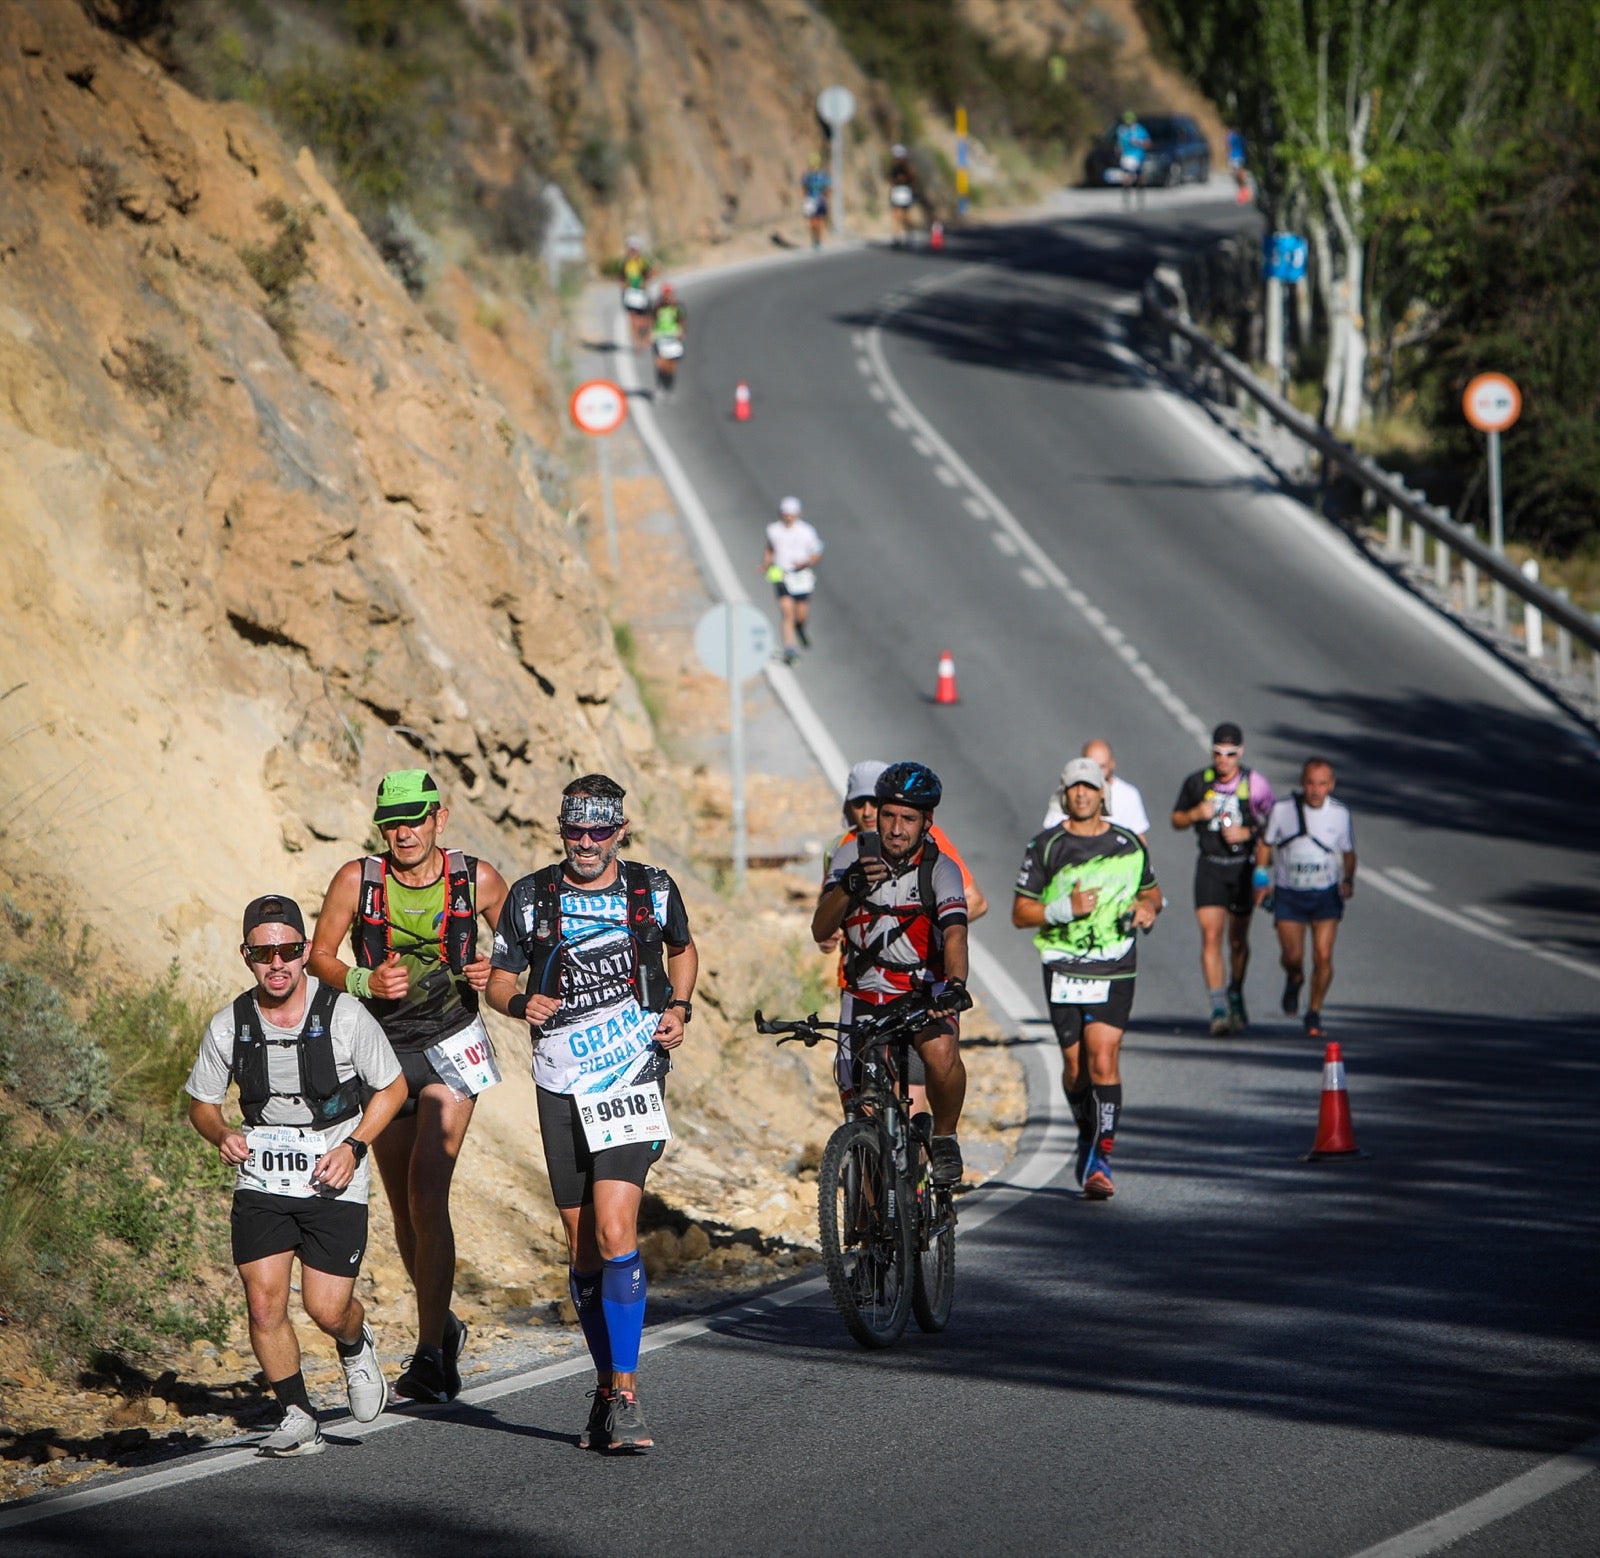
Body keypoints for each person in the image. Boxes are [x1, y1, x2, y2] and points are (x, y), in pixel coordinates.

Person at [487, 775, 697, 1454]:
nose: (586, 843)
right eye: (575, 831)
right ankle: (606, 1385)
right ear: (562, 830)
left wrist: (679, 1009)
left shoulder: (653, 889)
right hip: (559, 1080)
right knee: (581, 1246)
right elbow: (496, 980)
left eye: (599, 832)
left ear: (620, 831)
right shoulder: (530, 897)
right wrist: (521, 1005)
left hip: (629, 1074)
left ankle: (628, 1396)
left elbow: (682, 949)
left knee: (614, 1228)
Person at [309, 771, 510, 1404]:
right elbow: (320, 955)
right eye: (393, 822)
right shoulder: (357, 879)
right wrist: (366, 983)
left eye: (416, 818)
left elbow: (526, 947)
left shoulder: (476, 879)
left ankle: (429, 1358)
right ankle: (442, 1326)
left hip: (452, 1043)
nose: (404, 832)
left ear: (439, 818)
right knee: (401, 1207)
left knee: (428, 1194)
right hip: (382, 1051)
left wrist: (495, 967)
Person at [187, 895, 408, 1457]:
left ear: (306, 951)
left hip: (334, 1168)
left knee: (325, 1308)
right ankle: (296, 1413)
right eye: (264, 954)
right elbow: (202, 1103)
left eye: (288, 950)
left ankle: (355, 1345)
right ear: (247, 957)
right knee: (263, 1304)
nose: (277, 963)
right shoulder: (228, 1025)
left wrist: (356, 1147)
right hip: (263, 1175)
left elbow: (393, 1088)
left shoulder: (344, 1015)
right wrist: (221, 1134)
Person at [812, 762, 972, 1186]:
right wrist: (848, 887)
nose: (896, 829)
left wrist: (954, 986)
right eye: (888, 816)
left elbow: (955, 933)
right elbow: (820, 930)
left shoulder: (940, 867)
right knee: (859, 1113)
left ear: (926, 822)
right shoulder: (853, 854)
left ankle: (945, 1137)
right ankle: (870, 1230)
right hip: (863, 997)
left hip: (923, 995)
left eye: (908, 819)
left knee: (940, 1053)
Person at [1013, 758, 1161, 1200]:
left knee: (1103, 1060)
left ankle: (1101, 1158)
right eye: (1074, 788)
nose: (1081, 794)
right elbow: (1020, 913)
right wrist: (1063, 910)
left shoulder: (1129, 843)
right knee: (1076, 1069)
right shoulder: (1045, 845)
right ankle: (1086, 1129)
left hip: (1114, 962)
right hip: (1062, 965)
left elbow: (1151, 890)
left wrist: (1148, 908)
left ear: (1103, 795)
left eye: (1089, 787)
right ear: (1064, 794)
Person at [1172, 723, 1276, 1036]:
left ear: (1240, 753)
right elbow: (1176, 819)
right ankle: (1218, 1008)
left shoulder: (1255, 784)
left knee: (1237, 941)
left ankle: (1235, 990)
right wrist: (1195, 815)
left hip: (1241, 867)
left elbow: (1275, 827)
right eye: (1218, 753)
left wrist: (1249, 833)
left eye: (1230, 754)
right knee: (1210, 935)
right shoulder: (1197, 782)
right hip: (1210, 866)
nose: (1223, 760)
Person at [1256, 758, 1357, 1039]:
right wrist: (1260, 882)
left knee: (1323, 955)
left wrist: (1348, 879)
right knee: (1293, 956)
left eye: (1322, 784)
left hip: (1325, 895)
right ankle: (1295, 977)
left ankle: (1313, 1011)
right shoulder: (1283, 810)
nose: (1315, 790)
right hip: (1290, 895)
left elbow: (1348, 851)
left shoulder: (1340, 814)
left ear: (1331, 785)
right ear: (1303, 783)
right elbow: (1265, 846)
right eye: (1311, 783)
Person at [1043, 738, 1150, 842]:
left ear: (1112, 763)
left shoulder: (1129, 795)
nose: (1081, 793)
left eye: (1101, 766)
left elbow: (1139, 838)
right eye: (1091, 765)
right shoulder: (1070, 792)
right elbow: (1051, 833)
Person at [763, 496, 824, 666]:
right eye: (785, 514)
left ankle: (800, 627)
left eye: (791, 514)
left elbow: (817, 552)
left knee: (801, 613)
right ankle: (790, 648)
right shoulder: (774, 530)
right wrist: (766, 563)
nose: (788, 517)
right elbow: (770, 548)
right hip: (782, 575)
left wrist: (806, 562)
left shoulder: (807, 532)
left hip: (801, 577)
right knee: (787, 611)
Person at [619, 236, 656, 349]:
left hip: (642, 293)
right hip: (630, 294)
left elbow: (654, 271)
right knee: (632, 317)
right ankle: (637, 341)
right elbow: (620, 277)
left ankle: (647, 337)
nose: (633, 252)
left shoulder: (643, 262)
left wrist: (645, 281)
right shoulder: (625, 263)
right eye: (631, 249)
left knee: (647, 316)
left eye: (634, 250)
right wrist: (624, 284)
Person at [651, 283, 686, 395]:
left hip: (673, 337)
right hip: (660, 337)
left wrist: (681, 332)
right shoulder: (657, 306)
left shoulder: (677, 307)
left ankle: (669, 385)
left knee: (671, 365)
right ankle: (660, 385)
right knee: (660, 363)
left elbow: (682, 321)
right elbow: (652, 320)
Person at [1115, 111, 1152, 208]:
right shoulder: (1121, 130)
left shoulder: (1140, 130)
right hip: (1127, 157)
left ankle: (1140, 197)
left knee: (1140, 177)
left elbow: (1148, 143)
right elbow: (1120, 144)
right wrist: (1118, 150)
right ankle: (1126, 199)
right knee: (1127, 177)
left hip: (1139, 156)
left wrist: (1139, 143)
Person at [887, 143, 919, 246]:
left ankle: (911, 232)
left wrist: (905, 181)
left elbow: (913, 179)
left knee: (905, 216)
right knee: (896, 215)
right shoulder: (893, 167)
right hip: (896, 191)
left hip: (905, 191)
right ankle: (897, 237)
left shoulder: (907, 167)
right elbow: (891, 179)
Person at [801, 153, 831, 249]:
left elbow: (827, 188)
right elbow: (803, 188)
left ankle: (818, 240)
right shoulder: (807, 176)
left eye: (814, 164)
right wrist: (805, 199)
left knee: (819, 221)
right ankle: (814, 238)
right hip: (810, 199)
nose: (813, 166)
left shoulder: (823, 175)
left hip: (820, 200)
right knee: (811, 222)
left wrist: (826, 198)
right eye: (811, 164)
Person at [1226, 127, 1250, 203]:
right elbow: (1228, 146)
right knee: (1237, 177)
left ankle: (1244, 193)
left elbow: (1228, 146)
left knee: (1239, 176)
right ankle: (1243, 192)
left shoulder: (1239, 137)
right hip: (1234, 157)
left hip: (1239, 157)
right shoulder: (1232, 136)